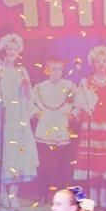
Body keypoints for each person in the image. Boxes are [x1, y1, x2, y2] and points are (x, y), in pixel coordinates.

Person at [0, 33, 38, 210]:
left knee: (16, 156)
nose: (11, 52)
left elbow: (29, 96)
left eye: (15, 49)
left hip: (17, 118)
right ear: (3, 50)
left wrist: (26, 88)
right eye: (9, 49)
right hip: (1, 118)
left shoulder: (22, 71)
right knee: (2, 155)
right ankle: (2, 194)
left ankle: (13, 194)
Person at [73, 46, 106, 211]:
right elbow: (80, 104)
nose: (101, 64)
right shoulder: (86, 82)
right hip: (92, 125)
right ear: (93, 63)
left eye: (104, 61)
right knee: (93, 163)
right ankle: (93, 196)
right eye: (98, 61)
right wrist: (77, 113)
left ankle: (104, 195)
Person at [30, 57, 76, 201]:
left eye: (59, 69)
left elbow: (77, 103)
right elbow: (30, 103)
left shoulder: (69, 86)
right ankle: (43, 194)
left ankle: (61, 195)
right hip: (45, 128)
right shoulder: (40, 87)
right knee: (44, 165)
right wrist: (35, 112)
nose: (56, 72)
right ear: (48, 70)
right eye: (53, 69)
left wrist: (72, 114)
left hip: (61, 128)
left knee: (62, 165)